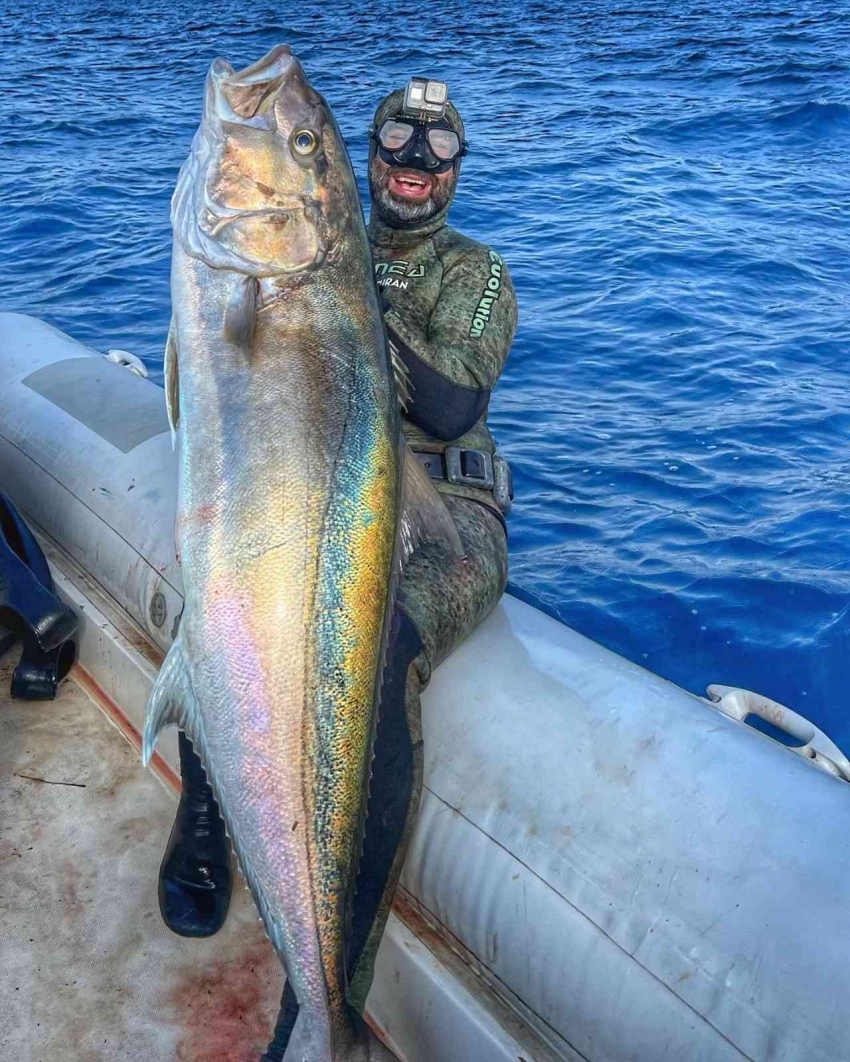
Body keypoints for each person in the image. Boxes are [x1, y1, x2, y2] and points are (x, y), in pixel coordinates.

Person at [155, 77, 518, 1059]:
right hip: (312, 491)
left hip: (446, 518)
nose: (415, 164)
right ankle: (206, 813)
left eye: (438, 151)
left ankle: (322, 1002)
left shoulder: (474, 272)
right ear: (368, 156)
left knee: (382, 648)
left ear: (455, 171)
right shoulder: (322, 243)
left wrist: (343, 292)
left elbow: (447, 408)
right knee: (221, 597)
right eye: (397, 142)